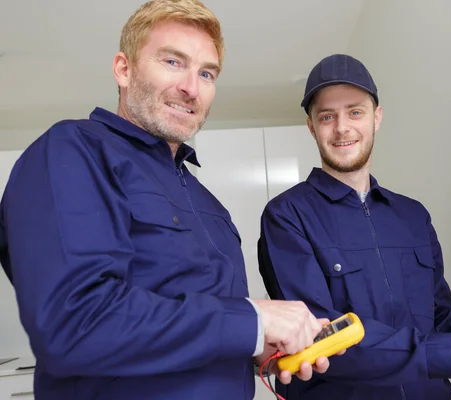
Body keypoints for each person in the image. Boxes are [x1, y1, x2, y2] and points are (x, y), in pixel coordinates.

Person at [0, 1, 337, 399]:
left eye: (206, 72)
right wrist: (254, 321)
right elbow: (76, 323)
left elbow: (200, 330)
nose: (191, 88)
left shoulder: (208, 204)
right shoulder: (73, 151)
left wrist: (257, 345)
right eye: (173, 62)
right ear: (123, 70)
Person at [257, 53, 451, 399]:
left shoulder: (413, 216)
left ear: (376, 118)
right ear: (311, 126)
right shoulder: (287, 215)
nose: (342, 128)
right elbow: (319, 338)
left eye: (355, 112)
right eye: (327, 116)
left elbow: (438, 315)